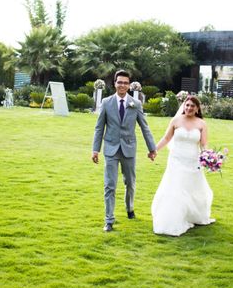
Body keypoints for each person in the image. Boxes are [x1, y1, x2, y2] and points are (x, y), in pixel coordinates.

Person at [92, 70, 157, 232]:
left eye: (125, 83)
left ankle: (130, 208)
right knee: (110, 185)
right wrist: (95, 150)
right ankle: (109, 220)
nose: (122, 85)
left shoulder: (136, 104)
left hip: (129, 149)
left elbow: (145, 127)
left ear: (129, 85)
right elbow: (99, 128)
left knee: (130, 183)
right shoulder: (106, 103)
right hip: (111, 149)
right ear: (114, 83)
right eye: (119, 82)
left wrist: (152, 148)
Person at [151, 95, 215, 236]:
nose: (189, 108)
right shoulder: (176, 120)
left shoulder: (201, 124)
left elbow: (204, 144)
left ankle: (191, 215)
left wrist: (208, 157)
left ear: (197, 108)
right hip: (176, 160)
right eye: (187, 105)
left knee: (191, 188)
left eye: (192, 106)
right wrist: (154, 150)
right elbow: (167, 138)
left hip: (193, 161)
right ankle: (173, 218)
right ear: (183, 106)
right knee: (176, 188)